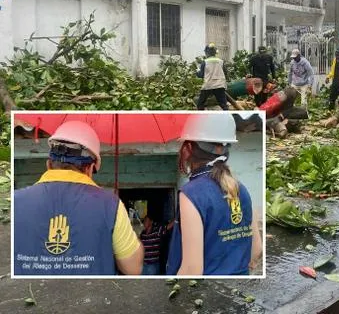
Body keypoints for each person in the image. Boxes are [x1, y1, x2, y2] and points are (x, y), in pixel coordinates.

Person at [14, 121, 144, 276]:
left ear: (48, 164)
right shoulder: (111, 205)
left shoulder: (15, 201)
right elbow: (133, 268)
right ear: (89, 169)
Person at [166, 114, 263, 275]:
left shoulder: (191, 194)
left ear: (188, 149)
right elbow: (256, 250)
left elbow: (192, 270)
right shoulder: (241, 188)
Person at [197, 43, 229, 110]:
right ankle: (227, 117)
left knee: (200, 104)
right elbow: (226, 73)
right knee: (224, 105)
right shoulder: (221, 61)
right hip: (220, 85)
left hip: (208, 85)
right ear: (215, 53)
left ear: (206, 52)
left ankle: (202, 118)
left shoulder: (205, 62)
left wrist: (196, 72)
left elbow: (201, 75)